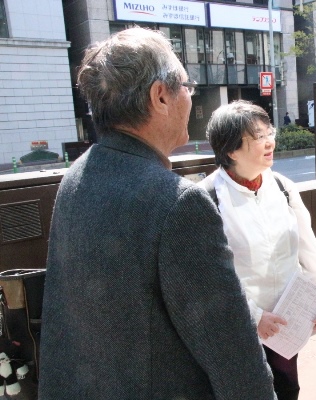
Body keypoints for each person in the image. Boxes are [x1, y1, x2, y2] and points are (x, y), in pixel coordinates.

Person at [38, 28, 276, 399]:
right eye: (186, 84)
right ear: (160, 96)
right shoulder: (178, 204)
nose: (190, 94)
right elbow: (234, 356)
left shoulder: (76, 177)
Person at [199, 100, 316, 400]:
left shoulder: (283, 186)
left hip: (286, 324)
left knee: (288, 389)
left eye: (268, 132)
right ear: (231, 150)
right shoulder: (208, 198)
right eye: (258, 137)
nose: (269, 141)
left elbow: (307, 247)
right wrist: (254, 316)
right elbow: (210, 276)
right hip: (240, 329)